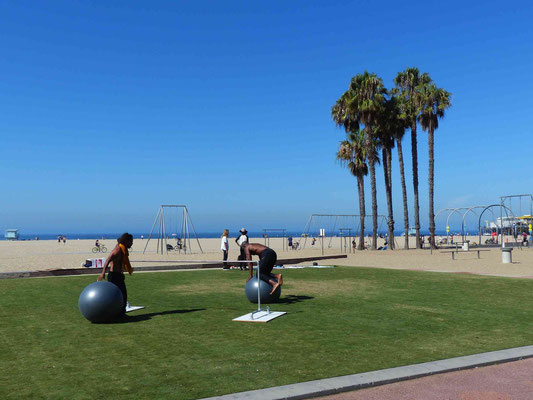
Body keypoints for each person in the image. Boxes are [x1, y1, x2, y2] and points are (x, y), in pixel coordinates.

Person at [97, 233, 134, 316]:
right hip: (113, 276)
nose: (132, 243)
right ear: (126, 241)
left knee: (123, 295)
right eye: (131, 241)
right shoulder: (117, 251)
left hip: (119, 275)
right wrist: (103, 273)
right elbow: (107, 260)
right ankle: (116, 313)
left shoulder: (123, 249)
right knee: (115, 295)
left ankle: (121, 313)